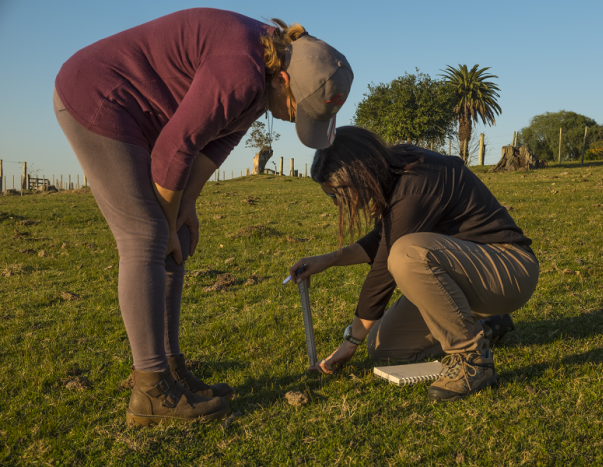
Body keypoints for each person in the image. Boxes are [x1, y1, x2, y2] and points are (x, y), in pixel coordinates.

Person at [53, 8, 353, 425]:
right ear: (284, 80)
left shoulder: (264, 76)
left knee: (175, 234)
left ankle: (171, 369)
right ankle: (150, 391)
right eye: (296, 109)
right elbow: (174, 149)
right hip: (98, 94)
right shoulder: (242, 70)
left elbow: (214, 147)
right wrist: (168, 219)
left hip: (146, 116)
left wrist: (185, 206)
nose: (291, 118)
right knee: (147, 236)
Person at [289, 127, 538, 402]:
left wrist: (350, 342)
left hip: (508, 270)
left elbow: (386, 265)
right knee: (385, 346)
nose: (336, 202)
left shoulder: (417, 180)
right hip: (469, 279)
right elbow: (383, 239)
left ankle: (472, 360)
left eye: (336, 194)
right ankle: (487, 327)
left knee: (406, 255)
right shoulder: (392, 176)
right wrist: (328, 260)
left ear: (359, 174)